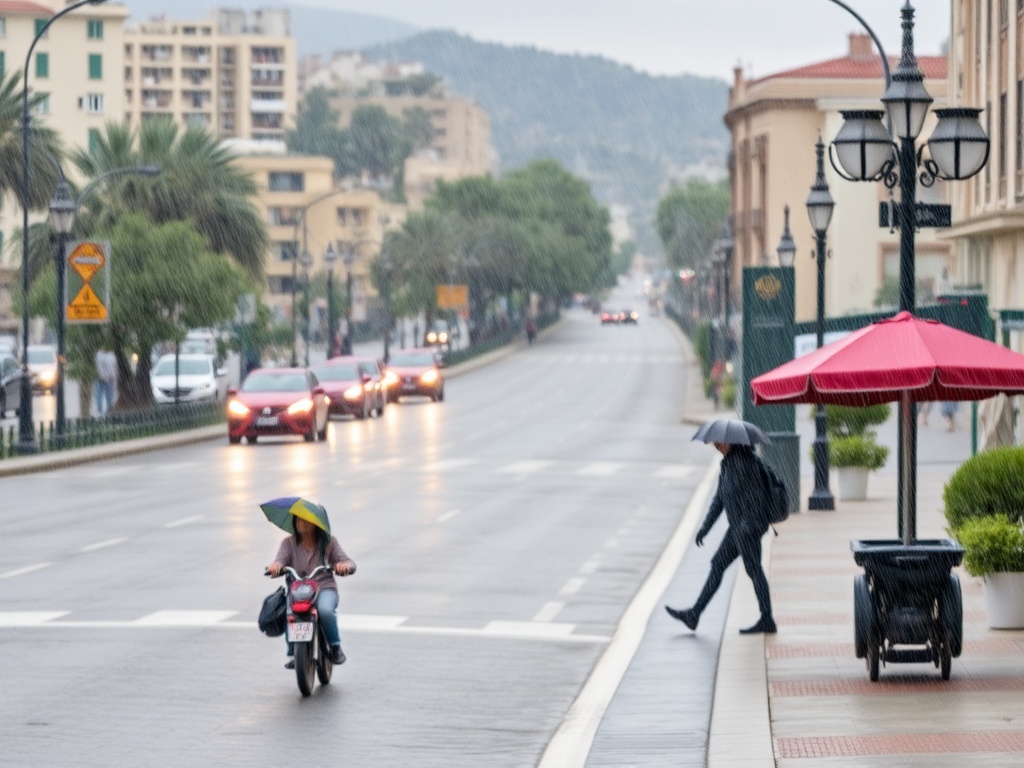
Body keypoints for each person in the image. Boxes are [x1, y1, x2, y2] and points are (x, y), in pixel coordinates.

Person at [665, 441, 776, 634]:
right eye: (714, 443)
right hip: (739, 527)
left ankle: (767, 618)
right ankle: (694, 614)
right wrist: (705, 528)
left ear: (731, 442)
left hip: (746, 528)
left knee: (754, 570)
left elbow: (743, 497)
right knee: (719, 565)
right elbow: (720, 499)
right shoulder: (729, 463)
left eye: (719, 442)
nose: (716, 445)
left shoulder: (743, 463)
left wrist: (748, 527)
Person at [266, 516, 356, 668]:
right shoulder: (288, 543)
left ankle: (335, 647)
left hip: (324, 587)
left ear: (316, 523)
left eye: (306, 520)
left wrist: (343, 566)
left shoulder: (329, 542)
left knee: (325, 610)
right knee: (290, 613)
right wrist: (275, 566)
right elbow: (279, 560)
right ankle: (295, 652)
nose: (302, 523)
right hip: (298, 590)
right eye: (299, 520)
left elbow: (349, 562)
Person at [94, 346, 117, 415]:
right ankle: (102, 411)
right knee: (101, 395)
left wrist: (112, 375)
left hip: (107, 378)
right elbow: (112, 366)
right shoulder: (100, 355)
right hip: (102, 378)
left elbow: (113, 366)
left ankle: (105, 411)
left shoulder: (110, 355)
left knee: (105, 395)